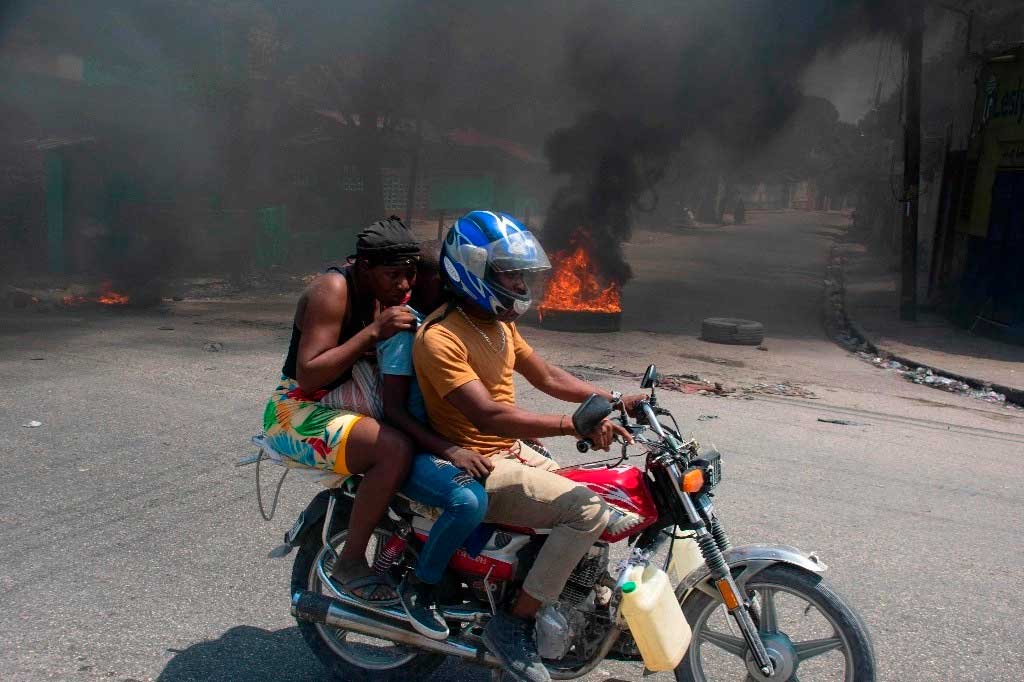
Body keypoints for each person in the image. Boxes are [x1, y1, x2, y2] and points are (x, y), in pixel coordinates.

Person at [413, 211, 644, 682]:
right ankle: (513, 625)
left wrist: (614, 398)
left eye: (521, 272)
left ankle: (570, 602)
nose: (519, 282)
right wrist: (572, 425)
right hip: (477, 462)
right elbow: (489, 416)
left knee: (601, 497)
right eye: (509, 272)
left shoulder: (498, 325)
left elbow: (549, 377)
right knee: (585, 512)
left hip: (511, 450)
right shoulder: (439, 338)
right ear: (472, 269)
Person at [262, 217, 420, 604]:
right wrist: (371, 333)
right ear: (364, 267)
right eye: (393, 275)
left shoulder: (387, 291)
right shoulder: (332, 290)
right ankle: (350, 562)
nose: (403, 285)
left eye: (410, 274)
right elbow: (309, 374)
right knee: (394, 448)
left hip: (348, 396)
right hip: (296, 411)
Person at [375, 241, 493, 640]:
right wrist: (453, 451)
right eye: (445, 283)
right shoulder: (405, 331)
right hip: (414, 447)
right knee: (467, 501)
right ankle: (421, 588)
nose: (454, 291)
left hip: (442, 439)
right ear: (424, 281)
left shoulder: (442, 320)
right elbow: (394, 409)